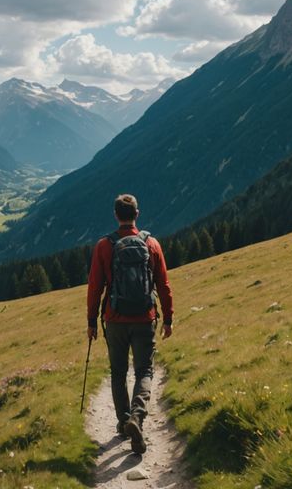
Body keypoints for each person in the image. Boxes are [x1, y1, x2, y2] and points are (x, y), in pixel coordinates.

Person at [86, 194, 174, 454]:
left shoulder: (104, 246)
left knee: (118, 372)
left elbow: (94, 288)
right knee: (144, 371)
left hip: (115, 320)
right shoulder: (152, 244)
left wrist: (91, 321)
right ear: (137, 214)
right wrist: (168, 318)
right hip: (145, 318)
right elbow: (164, 285)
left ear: (116, 215)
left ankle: (124, 421)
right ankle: (137, 416)